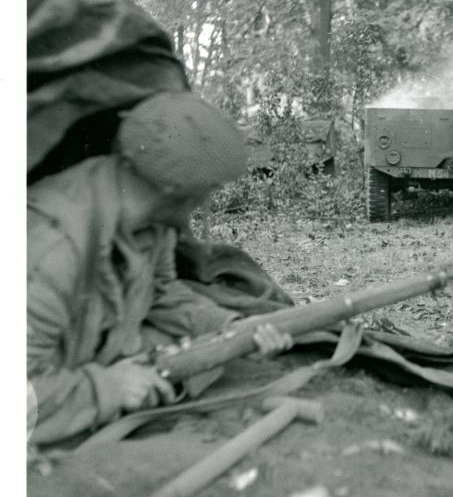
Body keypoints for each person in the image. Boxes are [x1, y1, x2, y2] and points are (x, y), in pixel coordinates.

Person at [27, 91, 292, 445]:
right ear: (175, 190)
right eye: (206, 191)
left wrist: (234, 329)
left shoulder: (152, 219)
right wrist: (106, 390)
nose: (206, 202)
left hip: (81, 363)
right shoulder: (53, 248)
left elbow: (163, 294)